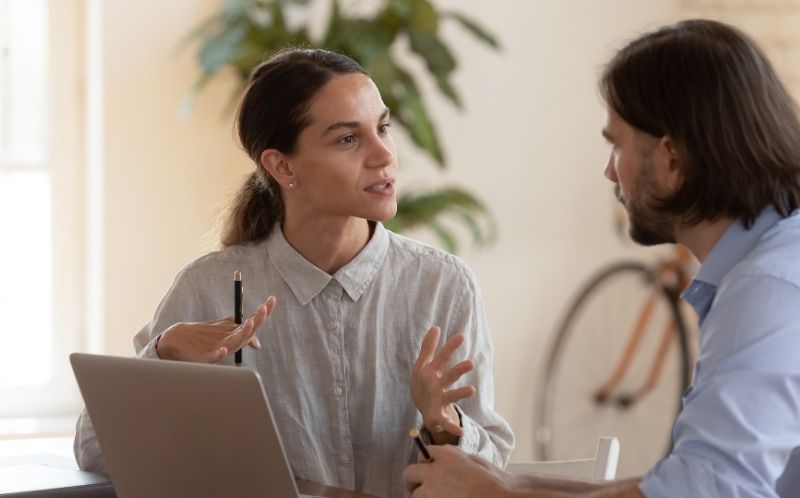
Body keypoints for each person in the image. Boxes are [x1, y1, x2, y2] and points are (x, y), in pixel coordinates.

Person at [74, 48, 514, 498]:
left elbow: (493, 471)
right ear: (281, 166)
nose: (383, 155)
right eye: (348, 139)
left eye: (382, 128)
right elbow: (93, 450)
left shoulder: (442, 286)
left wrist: (445, 426)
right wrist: (163, 357)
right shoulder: (208, 288)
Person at [404, 19, 800, 498]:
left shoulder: (767, 287)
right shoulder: (772, 260)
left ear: (672, 158)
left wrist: (496, 496)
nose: (610, 171)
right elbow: (685, 480)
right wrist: (512, 481)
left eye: (617, 145)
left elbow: (709, 489)